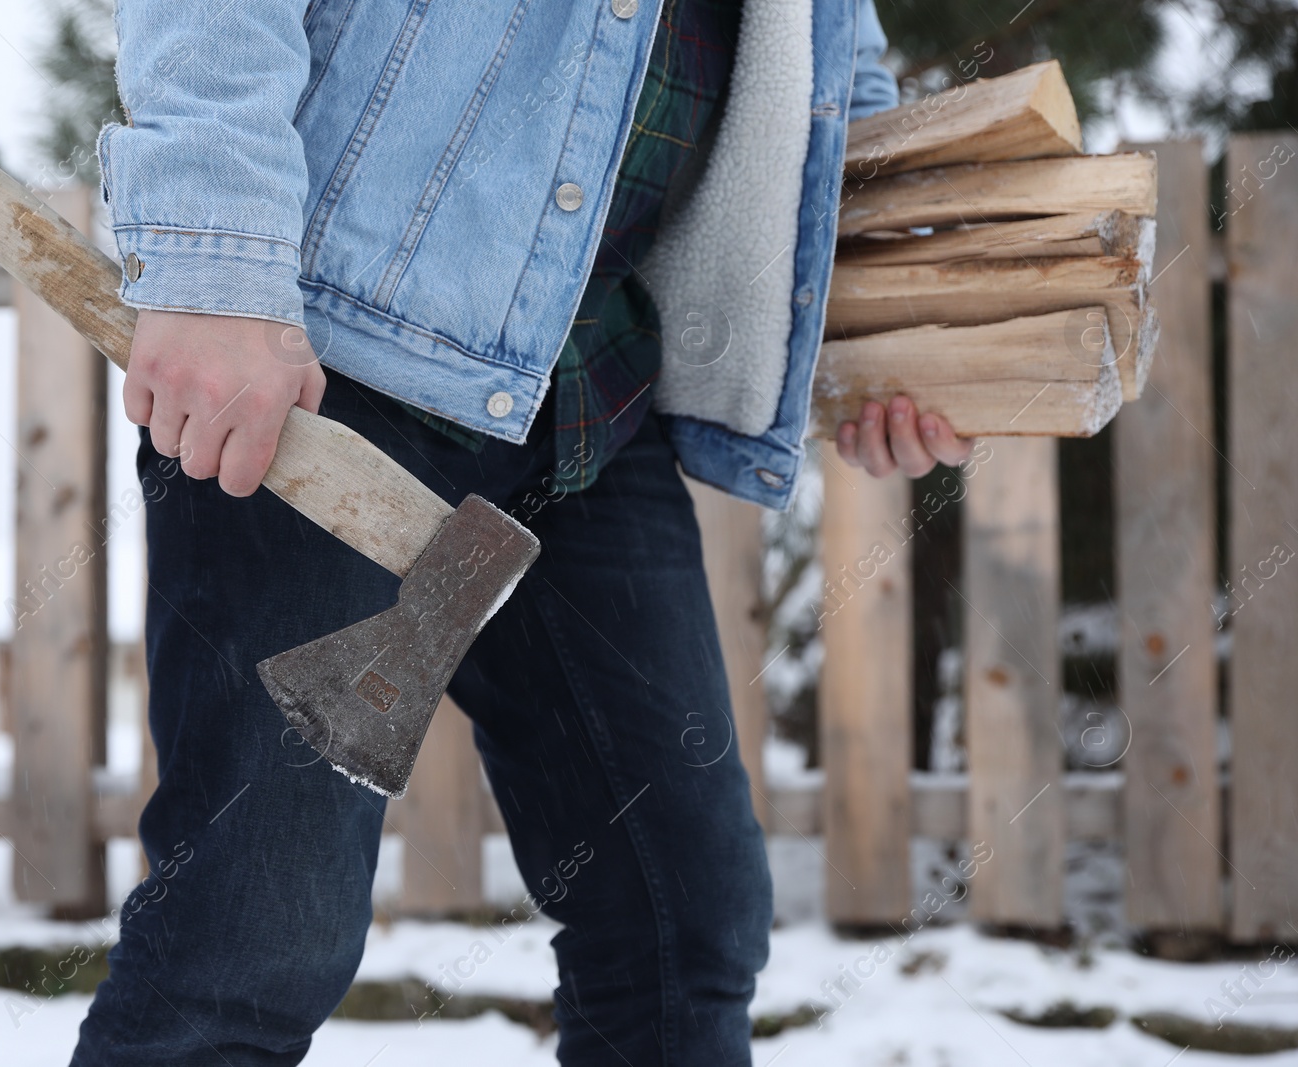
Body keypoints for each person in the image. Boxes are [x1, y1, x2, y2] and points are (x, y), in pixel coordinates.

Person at [72, 0, 969, 1063]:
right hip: (331, 361)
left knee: (681, 920)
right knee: (253, 939)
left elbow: (826, 64)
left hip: (588, 389)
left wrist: (876, 324)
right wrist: (214, 260)